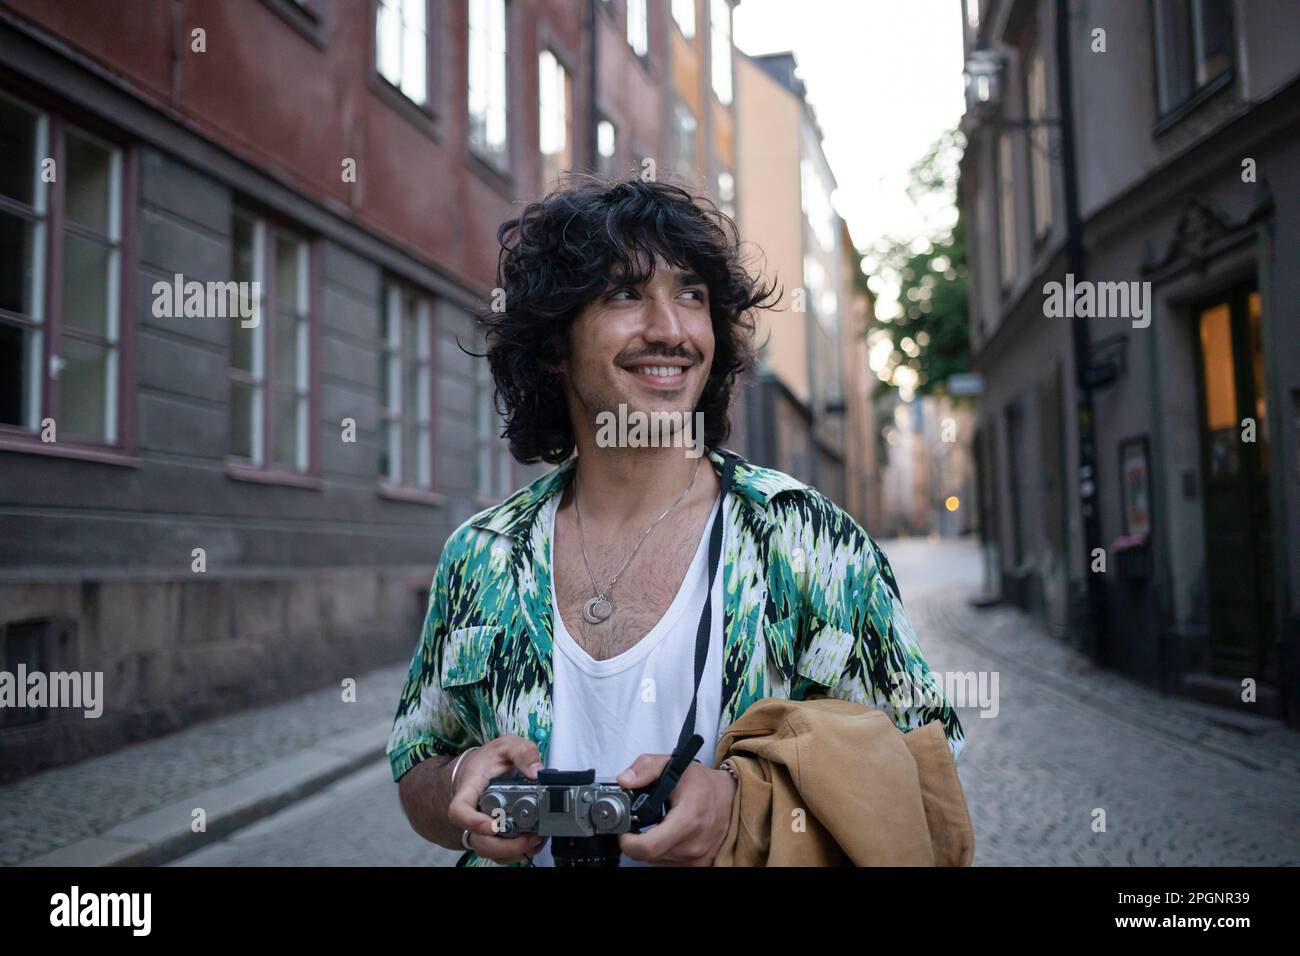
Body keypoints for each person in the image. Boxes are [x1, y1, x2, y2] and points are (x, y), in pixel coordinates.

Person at [387, 175, 964, 867]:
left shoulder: (807, 540)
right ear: (551, 346)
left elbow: (922, 772)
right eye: (625, 293)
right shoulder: (482, 556)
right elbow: (419, 761)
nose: (671, 330)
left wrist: (740, 799)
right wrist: (459, 785)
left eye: (691, 294)